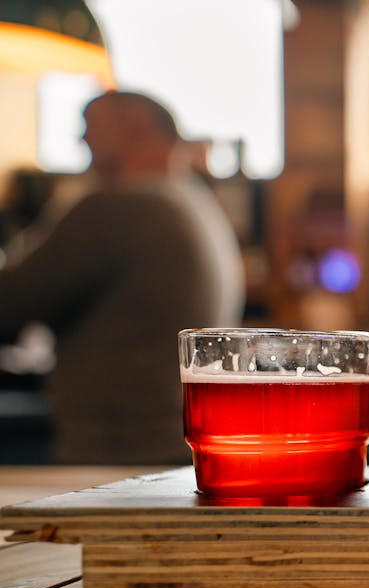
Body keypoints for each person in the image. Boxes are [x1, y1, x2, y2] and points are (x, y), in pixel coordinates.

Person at [0, 90, 244, 464]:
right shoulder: (192, 200)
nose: (81, 139)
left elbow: (11, 300)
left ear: (135, 128)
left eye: (89, 126)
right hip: (169, 439)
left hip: (118, 449)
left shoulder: (124, 206)